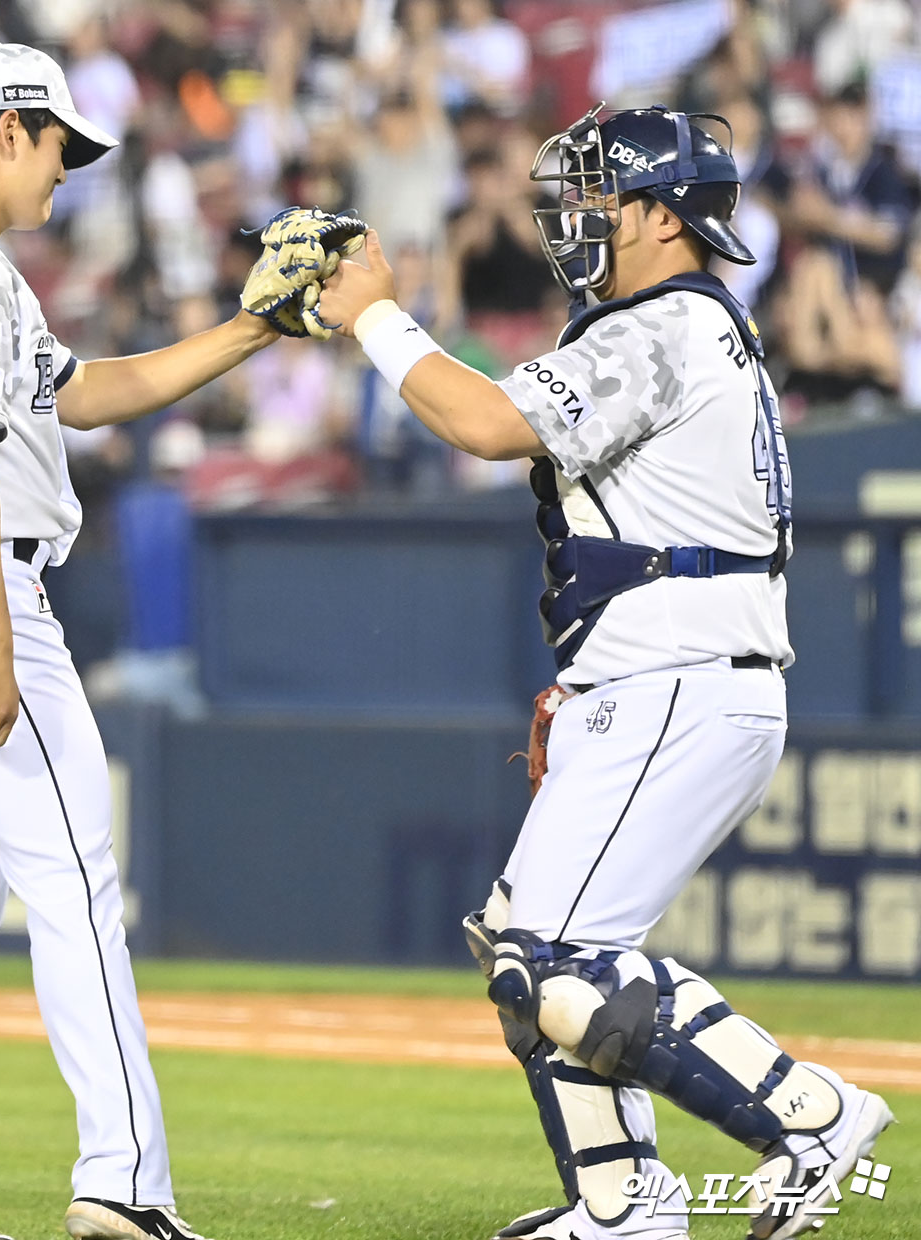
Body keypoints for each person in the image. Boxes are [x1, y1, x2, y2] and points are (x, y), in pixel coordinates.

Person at [319, 104, 894, 1240]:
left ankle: (812, 1115)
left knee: (556, 963)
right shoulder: (681, 324)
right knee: (517, 940)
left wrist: (377, 318)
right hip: (661, 673)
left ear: (662, 217)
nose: (577, 218)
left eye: (600, 198)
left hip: (680, 676)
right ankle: (621, 1202)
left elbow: (485, 423)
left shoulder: (662, 325)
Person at [0, 42, 282, 1240]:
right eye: (61, 144)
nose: (69, 169)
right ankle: (125, 1178)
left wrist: (249, 331)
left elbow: (81, 393)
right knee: (76, 878)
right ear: (8, 127)